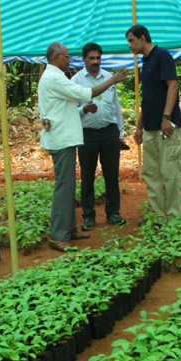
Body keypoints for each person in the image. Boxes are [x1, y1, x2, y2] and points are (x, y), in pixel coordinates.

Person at [38, 42, 126, 252]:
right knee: (64, 187)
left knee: (69, 187)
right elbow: (86, 93)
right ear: (57, 57)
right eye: (67, 56)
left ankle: (68, 229)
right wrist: (113, 80)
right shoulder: (55, 78)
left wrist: (84, 110)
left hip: (68, 137)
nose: (70, 60)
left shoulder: (56, 77)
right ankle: (58, 235)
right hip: (62, 139)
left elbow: (67, 110)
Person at [126, 24, 181, 224]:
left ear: (143, 38)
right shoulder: (146, 61)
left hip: (166, 127)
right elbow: (148, 98)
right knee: (152, 174)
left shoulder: (162, 56)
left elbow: (173, 85)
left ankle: (175, 218)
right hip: (150, 128)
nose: (129, 46)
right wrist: (140, 126)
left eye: (131, 41)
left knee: (170, 173)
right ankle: (160, 217)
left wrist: (166, 117)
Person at [71, 42, 127, 231]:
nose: (96, 61)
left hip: (109, 132)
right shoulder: (76, 81)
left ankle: (113, 213)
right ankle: (88, 216)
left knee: (112, 174)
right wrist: (84, 109)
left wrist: (120, 133)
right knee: (87, 175)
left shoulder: (109, 77)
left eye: (98, 58)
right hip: (87, 134)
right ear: (84, 59)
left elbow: (116, 108)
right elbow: (70, 110)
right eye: (91, 58)